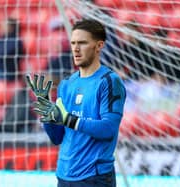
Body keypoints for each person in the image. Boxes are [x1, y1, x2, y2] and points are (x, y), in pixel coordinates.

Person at [26, 19, 126, 187]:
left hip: (94, 177)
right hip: (65, 175)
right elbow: (57, 137)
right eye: (73, 43)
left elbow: (108, 129)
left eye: (82, 43)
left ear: (99, 46)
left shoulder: (109, 82)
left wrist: (68, 119)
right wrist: (47, 111)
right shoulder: (66, 84)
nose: (76, 49)